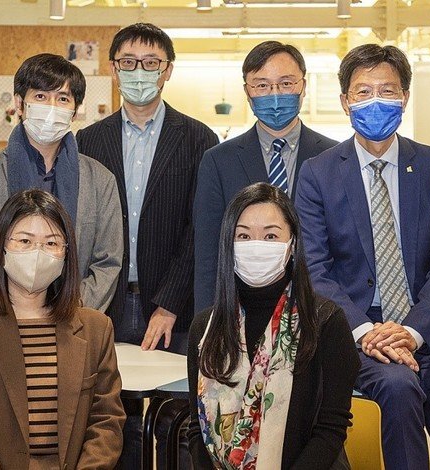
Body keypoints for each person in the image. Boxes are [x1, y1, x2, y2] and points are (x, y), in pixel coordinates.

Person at [294, 44, 430, 469]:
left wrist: (412, 332)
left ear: (405, 97)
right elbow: (316, 268)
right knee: (399, 388)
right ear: (345, 101)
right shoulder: (317, 173)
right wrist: (367, 332)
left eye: (387, 90)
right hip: (363, 337)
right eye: (363, 92)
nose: (375, 101)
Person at [76, 23, 219, 470]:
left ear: (168, 70)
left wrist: (170, 303)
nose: (140, 72)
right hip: (106, 301)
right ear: (114, 70)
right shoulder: (87, 141)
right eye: (129, 63)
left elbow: (201, 230)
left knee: (177, 415)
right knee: (113, 417)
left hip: (172, 308)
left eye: (151, 63)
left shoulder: (199, 140)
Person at [0, 189, 124, 469]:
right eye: (24, 241)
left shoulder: (96, 328)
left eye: (51, 243)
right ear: (1, 249)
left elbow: (106, 421)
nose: (38, 253)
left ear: (65, 254)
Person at [187, 182, 359, 470]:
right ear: (229, 245)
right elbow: (197, 430)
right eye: (243, 236)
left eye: (270, 236)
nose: (256, 246)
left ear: (292, 245)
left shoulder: (327, 322)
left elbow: (330, 430)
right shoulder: (205, 330)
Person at [0, 53, 123, 314]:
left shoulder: (100, 180)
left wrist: (65, 309)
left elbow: (108, 262)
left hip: (73, 316)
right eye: (41, 97)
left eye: (63, 99)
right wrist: (23, 310)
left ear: (75, 110)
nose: (52, 107)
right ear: (19, 104)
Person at [193, 41, 339, 313]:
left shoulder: (334, 157)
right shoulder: (218, 160)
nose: (274, 94)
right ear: (248, 92)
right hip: (242, 308)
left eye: (286, 84)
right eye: (262, 85)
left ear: (303, 86)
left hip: (316, 306)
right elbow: (207, 255)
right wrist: (208, 323)